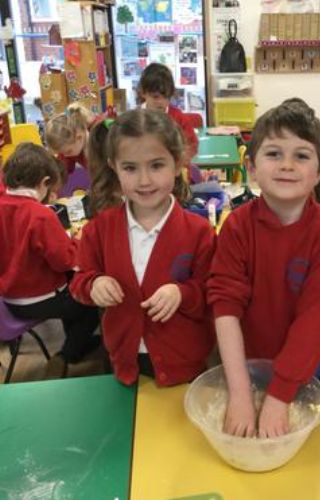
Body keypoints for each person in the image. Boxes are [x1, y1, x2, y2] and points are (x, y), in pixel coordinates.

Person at [207, 100, 320, 437]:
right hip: (246, 371)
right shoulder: (237, 226)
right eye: (273, 153)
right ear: (251, 167)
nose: (287, 165)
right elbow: (225, 307)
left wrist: (280, 394)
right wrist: (240, 393)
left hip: (310, 373)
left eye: (301, 155)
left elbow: (316, 319)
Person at [70, 109, 216, 386]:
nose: (144, 180)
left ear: (178, 163)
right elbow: (79, 281)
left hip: (184, 364)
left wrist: (182, 293)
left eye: (156, 166)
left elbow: (211, 291)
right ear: (114, 167)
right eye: (130, 168)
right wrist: (93, 284)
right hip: (124, 360)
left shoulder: (199, 232)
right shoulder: (98, 230)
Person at [0, 143, 100, 377]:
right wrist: (78, 240)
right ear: (44, 183)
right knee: (90, 300)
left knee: (72, 292)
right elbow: (65, 261)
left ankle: (74, 346)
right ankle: (67, 355)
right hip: (39, 297)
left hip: (9, 299)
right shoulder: (40, 215)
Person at [138, 63, 198, 160]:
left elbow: (192, 145)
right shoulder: (134, 119)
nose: (161, 102)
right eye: (155, 97)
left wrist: (178, 160)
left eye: (166, 97)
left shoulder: (179, 118)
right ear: (143, 93)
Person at [45, 102, 96, 174]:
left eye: (69, 151)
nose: (66, 155)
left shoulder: (100, 135)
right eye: (62, 153)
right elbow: (63, 169)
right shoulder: (69, 146)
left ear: (79, 137)